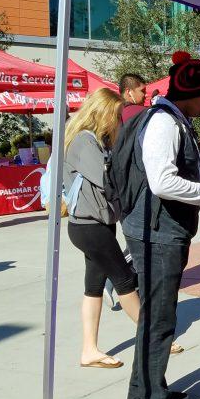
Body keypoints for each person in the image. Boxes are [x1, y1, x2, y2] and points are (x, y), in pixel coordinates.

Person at [122, 51, 200, 399]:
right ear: (193, 93)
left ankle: (143, 390)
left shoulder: (170, 119)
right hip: (157, 232)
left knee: (154, 316)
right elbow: (162, 182)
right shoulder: (165, 122)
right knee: (160, 318)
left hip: (157, 230)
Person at [64, 88, 141, 369]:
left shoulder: (87, 140)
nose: (118, 122)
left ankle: (89, 350)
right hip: (91, 226)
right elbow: (107, 181)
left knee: (94, 288)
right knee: (124, 281)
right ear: (104, 114)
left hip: (90, 225)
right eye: (116, 116)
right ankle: (153, 338)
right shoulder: (86, 143)